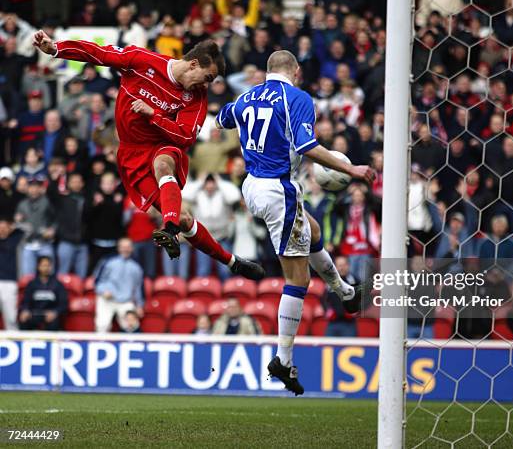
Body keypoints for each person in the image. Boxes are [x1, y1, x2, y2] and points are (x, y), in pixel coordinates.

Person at [33, 29, 264, 281]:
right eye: (207, 77)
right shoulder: (142, 60)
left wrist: (154, 115)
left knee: (164, 165)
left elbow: (186, 137)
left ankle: (169, 227)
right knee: (186, 219)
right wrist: (56, 49)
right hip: (132, 153)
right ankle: (230, 261)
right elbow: (98, 53)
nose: (206, 85)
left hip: (163, 144)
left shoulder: (196, 97)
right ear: (193, 64)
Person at [216, 50, 375, 395]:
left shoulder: (246, 96)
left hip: (252, 186)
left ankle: (346, 292)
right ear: (296, 71)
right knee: (297, 278)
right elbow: (308, 146)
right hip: (278, 189)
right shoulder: (298, 97)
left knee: (313, 231)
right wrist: (351, 168)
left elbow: (223, 119)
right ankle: (283, 360)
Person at [93, 238, 144, 333]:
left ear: (132, 248)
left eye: (128, 247)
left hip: (125, 300)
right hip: (107, 299)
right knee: (102, 325)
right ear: (118, 248)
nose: (126, 249)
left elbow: (138, 288)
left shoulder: (136, 266)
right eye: (123, 247)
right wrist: (103, 291)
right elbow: (97, 280)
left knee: (133, 326)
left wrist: (139, 305)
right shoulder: (108, 261)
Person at [18, 256, 67, 331]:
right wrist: (25, 310)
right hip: (34, 314)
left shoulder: (57, 284)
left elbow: (63, 304)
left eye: (48, 265)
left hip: (51, 315)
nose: (46, 268)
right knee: (23, 320)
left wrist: (55, 312)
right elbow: (26, 301)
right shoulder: (32, 284)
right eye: (43, 265)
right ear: (38, 267)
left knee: (54, 323)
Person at [0, 219, 23, 330]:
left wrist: (16, 225)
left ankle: (13, 339)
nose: (2, 230)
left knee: (11, 318)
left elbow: (29, 229)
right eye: (0, 228)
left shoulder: (14, 239)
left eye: (5, 227)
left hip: (9, 282)